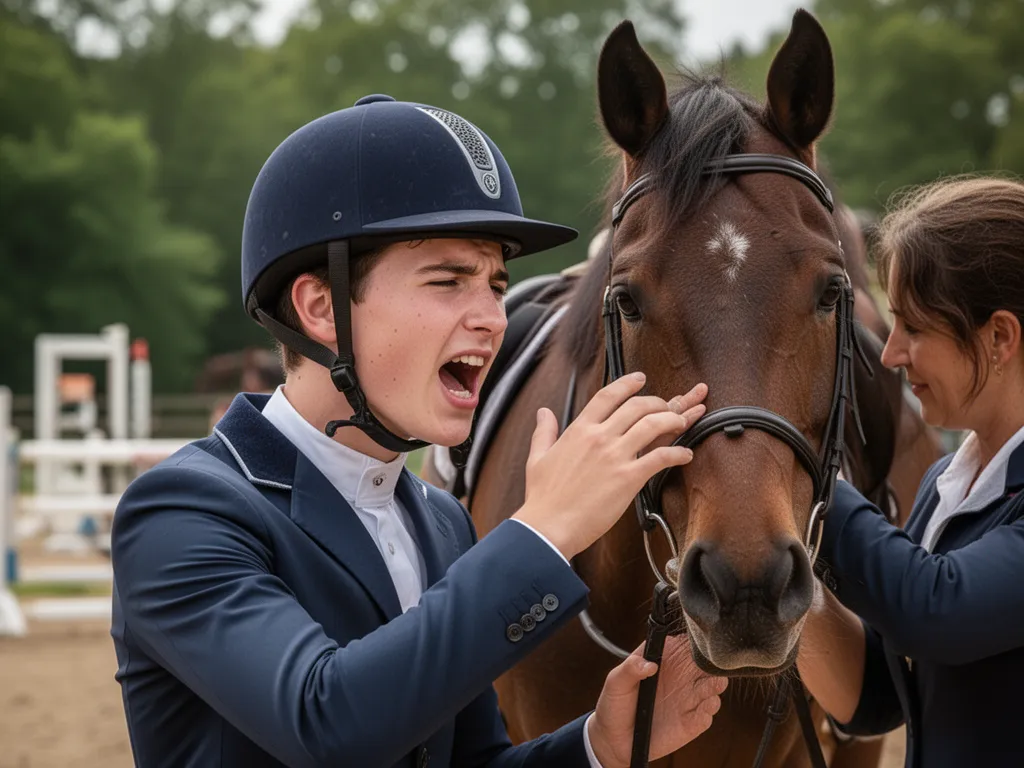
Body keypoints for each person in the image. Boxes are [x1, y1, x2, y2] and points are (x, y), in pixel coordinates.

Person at [109, 94, 727, 768]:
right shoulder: (181, 512)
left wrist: (598, 746)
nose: (493, 316)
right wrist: (546, 529)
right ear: (320, 308)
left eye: (495, 283)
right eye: (449, 281)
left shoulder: (441, 521)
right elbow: (326, 725)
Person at [796, 176, 1024, 767]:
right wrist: (781, 576)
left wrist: (801, 469)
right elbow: (877, 697)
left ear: (999, 337)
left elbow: (935, 612)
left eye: (914, 328)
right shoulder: (946, 481)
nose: (891, 353)